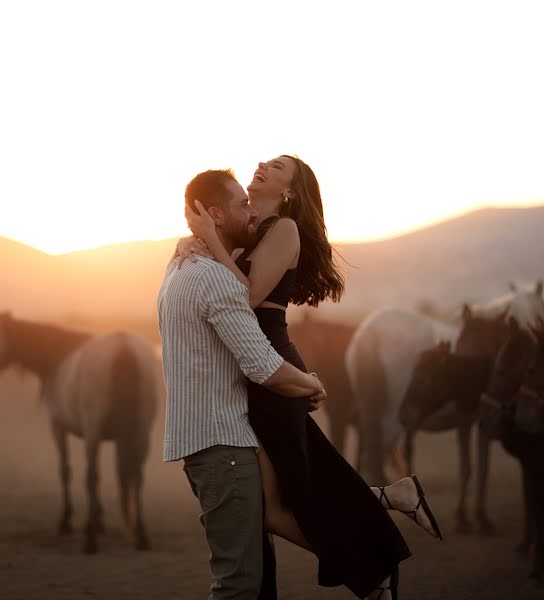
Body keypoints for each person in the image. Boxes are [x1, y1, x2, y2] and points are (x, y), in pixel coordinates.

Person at [176, 156, 442, 599]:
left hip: (269, 366)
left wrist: (206, 240)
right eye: (264, 160)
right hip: (254, 371)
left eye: (277, 166)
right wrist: (192, 243)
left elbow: (245, 295)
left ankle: (372, 576)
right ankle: (390, 504)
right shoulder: (251, 231)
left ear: (289, 192)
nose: (262, 164)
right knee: (290, 496)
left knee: (283, 504)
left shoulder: (283, 230)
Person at [157, 168, 328, 600]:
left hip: (200, 446)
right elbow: (262, 366)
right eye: (241, 206)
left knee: (249, 575)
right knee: (238, 585)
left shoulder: (177, 268)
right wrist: (308, 384)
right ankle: (368, 554)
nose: (249, 213)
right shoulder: (216, 279)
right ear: (215, 214)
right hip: (225, 449)